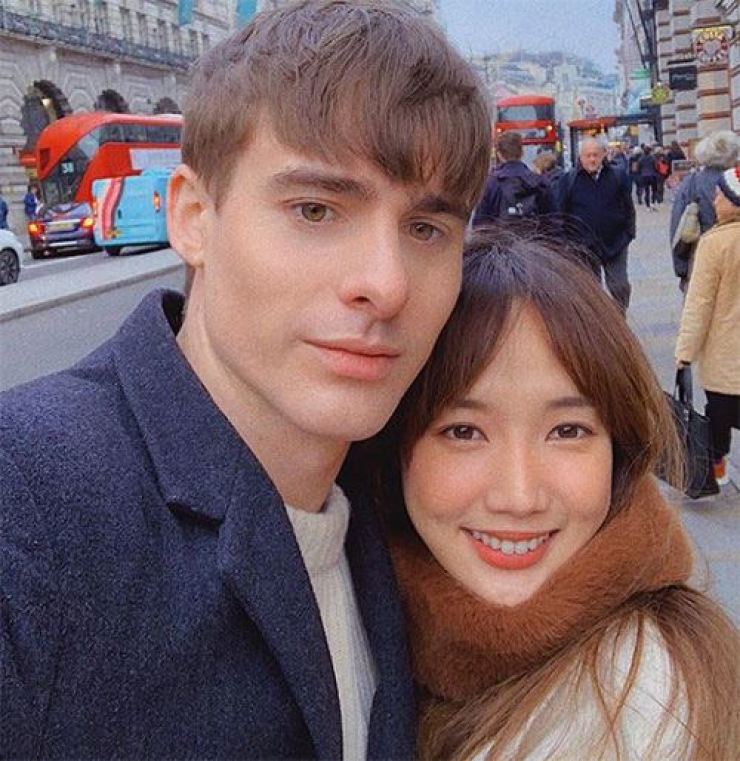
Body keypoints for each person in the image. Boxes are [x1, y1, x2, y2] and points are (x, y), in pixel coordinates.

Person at [0, 2, 492, 757]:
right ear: (194, 217)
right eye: (316, 210)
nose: (386, 284)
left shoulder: (409, 492)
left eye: (426, 229)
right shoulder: (27, 502)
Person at [358, 227, 740, 761]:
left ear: (619, 453)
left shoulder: (649, 704)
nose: (519, 497)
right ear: (395, 450)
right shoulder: (359, 622)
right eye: (463, 432)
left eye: (567, 431)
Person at [676, 166, 740, 487]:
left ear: (734, 202)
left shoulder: (715, 244)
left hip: (725, 355)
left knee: (719, 418)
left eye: (720, 196)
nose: (714, 201)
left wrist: (684, 353)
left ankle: (718, 470)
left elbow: (699, 304)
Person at [557, 137, 636, 311]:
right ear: (580, 157)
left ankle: (619, 316)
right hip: (583, 246)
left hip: (615, 242)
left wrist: (629, 233)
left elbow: (628, 206)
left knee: (620, 286)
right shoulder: (569, 180)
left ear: (603, 155)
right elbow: (561, 212)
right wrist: (567, 241)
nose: (592, 159)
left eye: (596, 155)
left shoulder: (617, 176)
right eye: (588, 156)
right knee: (591, 290)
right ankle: (599, 320)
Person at [670, 130, 739, 291]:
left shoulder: (692, 183)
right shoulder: (736, 182)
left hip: (700, 260)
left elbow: (678, 225)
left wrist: (682, 270)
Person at [472, 132, 554, 225]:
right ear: (522, 152)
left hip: (500, 233)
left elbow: (481, 222)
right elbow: (552, 221)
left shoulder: (491, 183)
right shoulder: (540, 182)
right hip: (532, 233)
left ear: (499, 154)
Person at [637, 143, 659, 210]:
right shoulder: (653, 158)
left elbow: (638, 168)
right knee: (654, 190)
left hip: (644, 176)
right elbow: (656, 167)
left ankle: (647, 206)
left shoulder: (641, 158)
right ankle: (653, 203)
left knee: (647, 191)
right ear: (650, 151)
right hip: (652, 175)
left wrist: (640, 173)